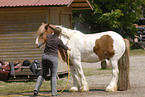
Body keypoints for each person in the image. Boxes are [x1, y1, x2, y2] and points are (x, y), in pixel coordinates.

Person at [34, 27, 70, 96]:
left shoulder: (49, 36)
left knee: (42, 74)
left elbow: (43, 40)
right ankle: (54, 93)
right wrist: (68, 48)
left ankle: (36, 89)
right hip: (53, 58)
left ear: (53, 32)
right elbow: (64, 47)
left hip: (44, 57)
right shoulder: (59, 40)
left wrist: (38, 45)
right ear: (59, 34)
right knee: (53, 76)